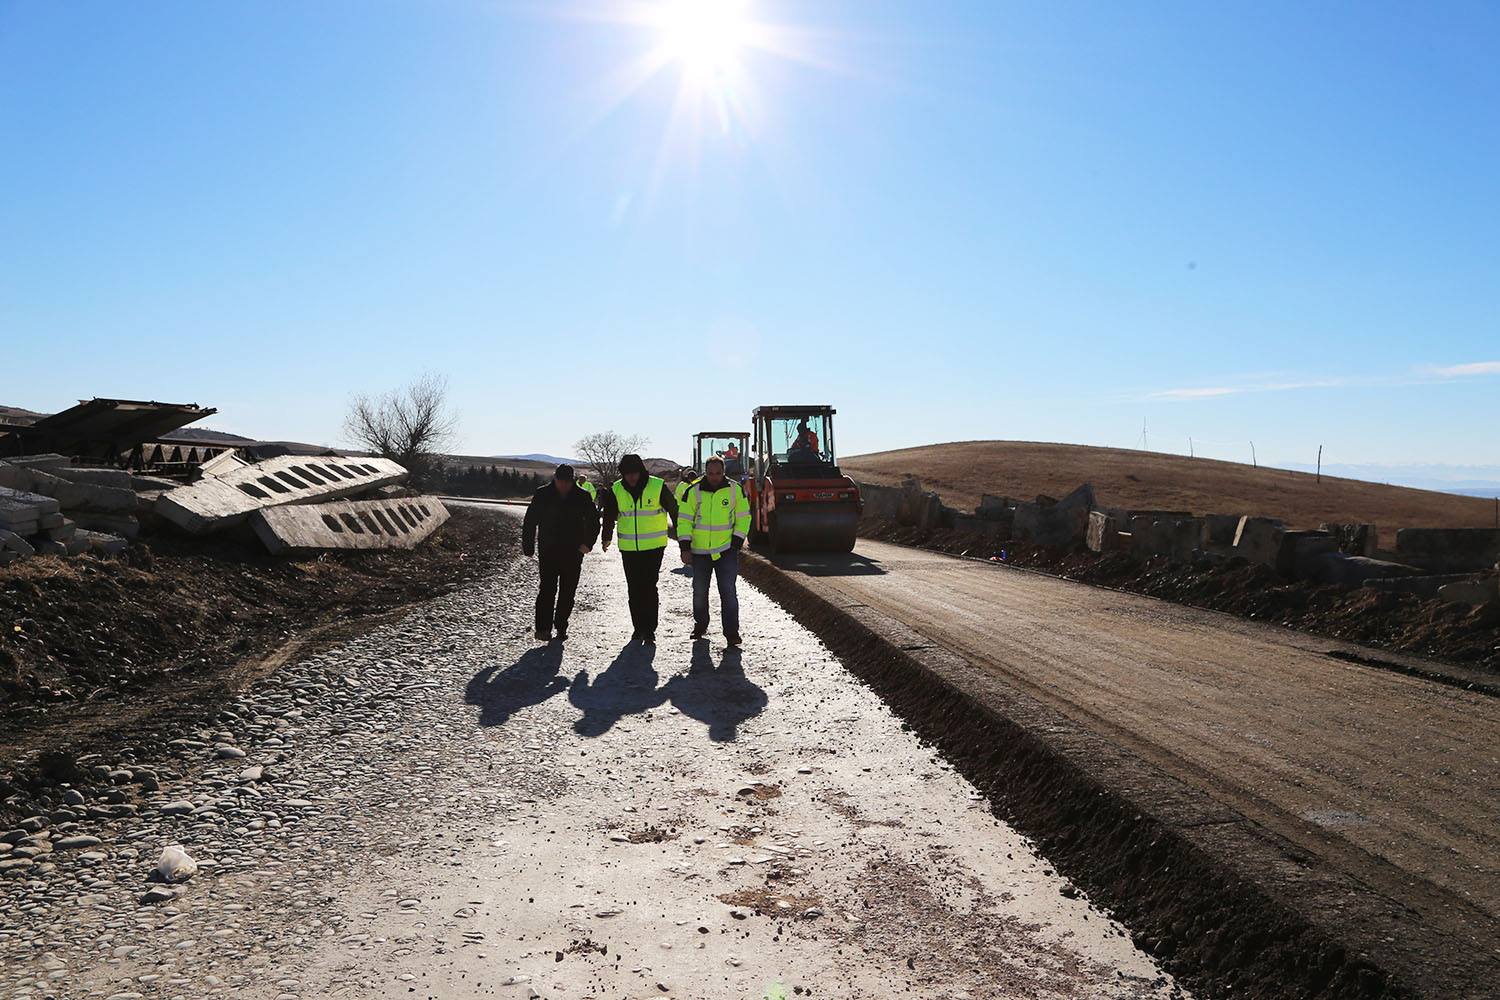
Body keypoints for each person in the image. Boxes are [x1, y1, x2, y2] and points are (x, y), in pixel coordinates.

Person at [599, 453, 678, 644]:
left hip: (654, 547)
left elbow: (674, 510)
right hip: (629, 548)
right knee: (634, 589)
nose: (631, 477)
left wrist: (683, 539)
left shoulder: (657, 486)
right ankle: (638, 628)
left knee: (649, 587)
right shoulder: (616, 489)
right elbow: (609, 514)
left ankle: (649, 629)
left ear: (641, 471)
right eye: (627, 474)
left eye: (634, 473)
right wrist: (606, 537)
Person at [521, 464, 600, 642]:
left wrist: (588, 544)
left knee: (568, 591)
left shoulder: (582, 496)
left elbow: (594, 522)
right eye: (560, 481)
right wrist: (528, 547)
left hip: (573, 552)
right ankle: (543, 628)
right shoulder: (542, 494)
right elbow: (530, 521)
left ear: (572, 480)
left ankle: (561, 626)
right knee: (546, 590)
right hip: (548, 550)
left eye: (567, 482)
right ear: (555, 479)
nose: (563, 485)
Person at [677, 455, 749, 646]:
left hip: (726, 551)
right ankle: (700, 625)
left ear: (723, 472)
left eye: (718, 473)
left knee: (728, 593)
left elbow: (743, 517)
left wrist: (736, 543)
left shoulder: (735, 490)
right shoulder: (693, 492)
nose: (714, 477)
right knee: (699, 592)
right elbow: (683, 520)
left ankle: (732, 633)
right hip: (700, 553)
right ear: (705, 472)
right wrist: (685, 548)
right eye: (710, 473)